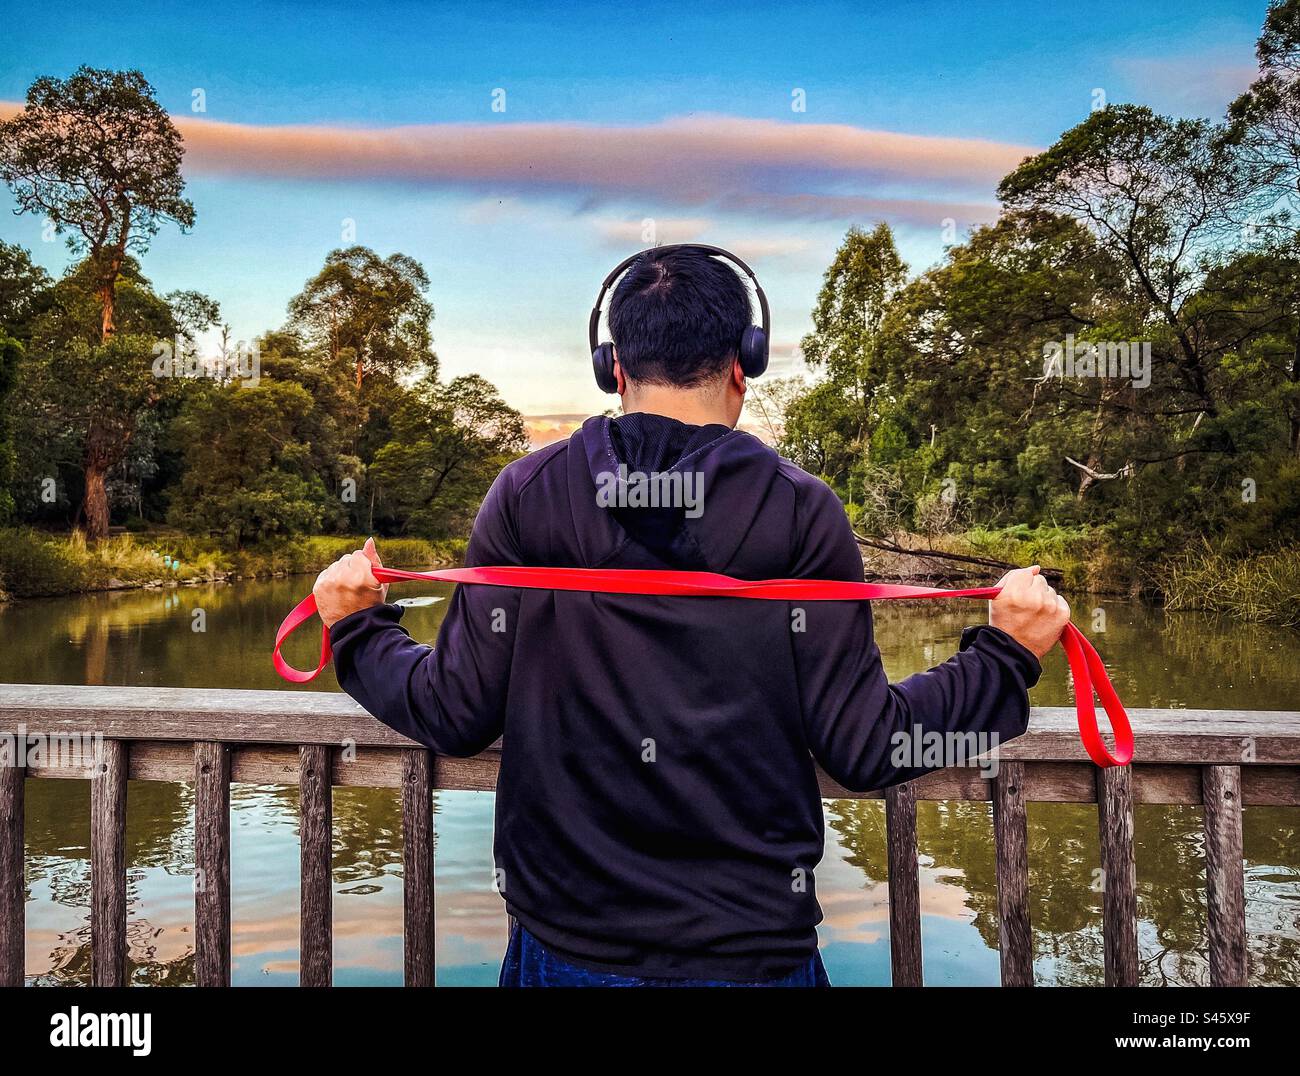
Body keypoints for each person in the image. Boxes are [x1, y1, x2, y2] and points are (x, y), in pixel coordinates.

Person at [313, 246, 1070, 987]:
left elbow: (455, 710)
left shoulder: (527, 492)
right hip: (752, 946)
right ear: (747, 357)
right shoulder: (801, 509)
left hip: (567, 944)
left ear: (611, 366)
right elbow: (866, 745)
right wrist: (1005, 655)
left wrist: (356, 627)